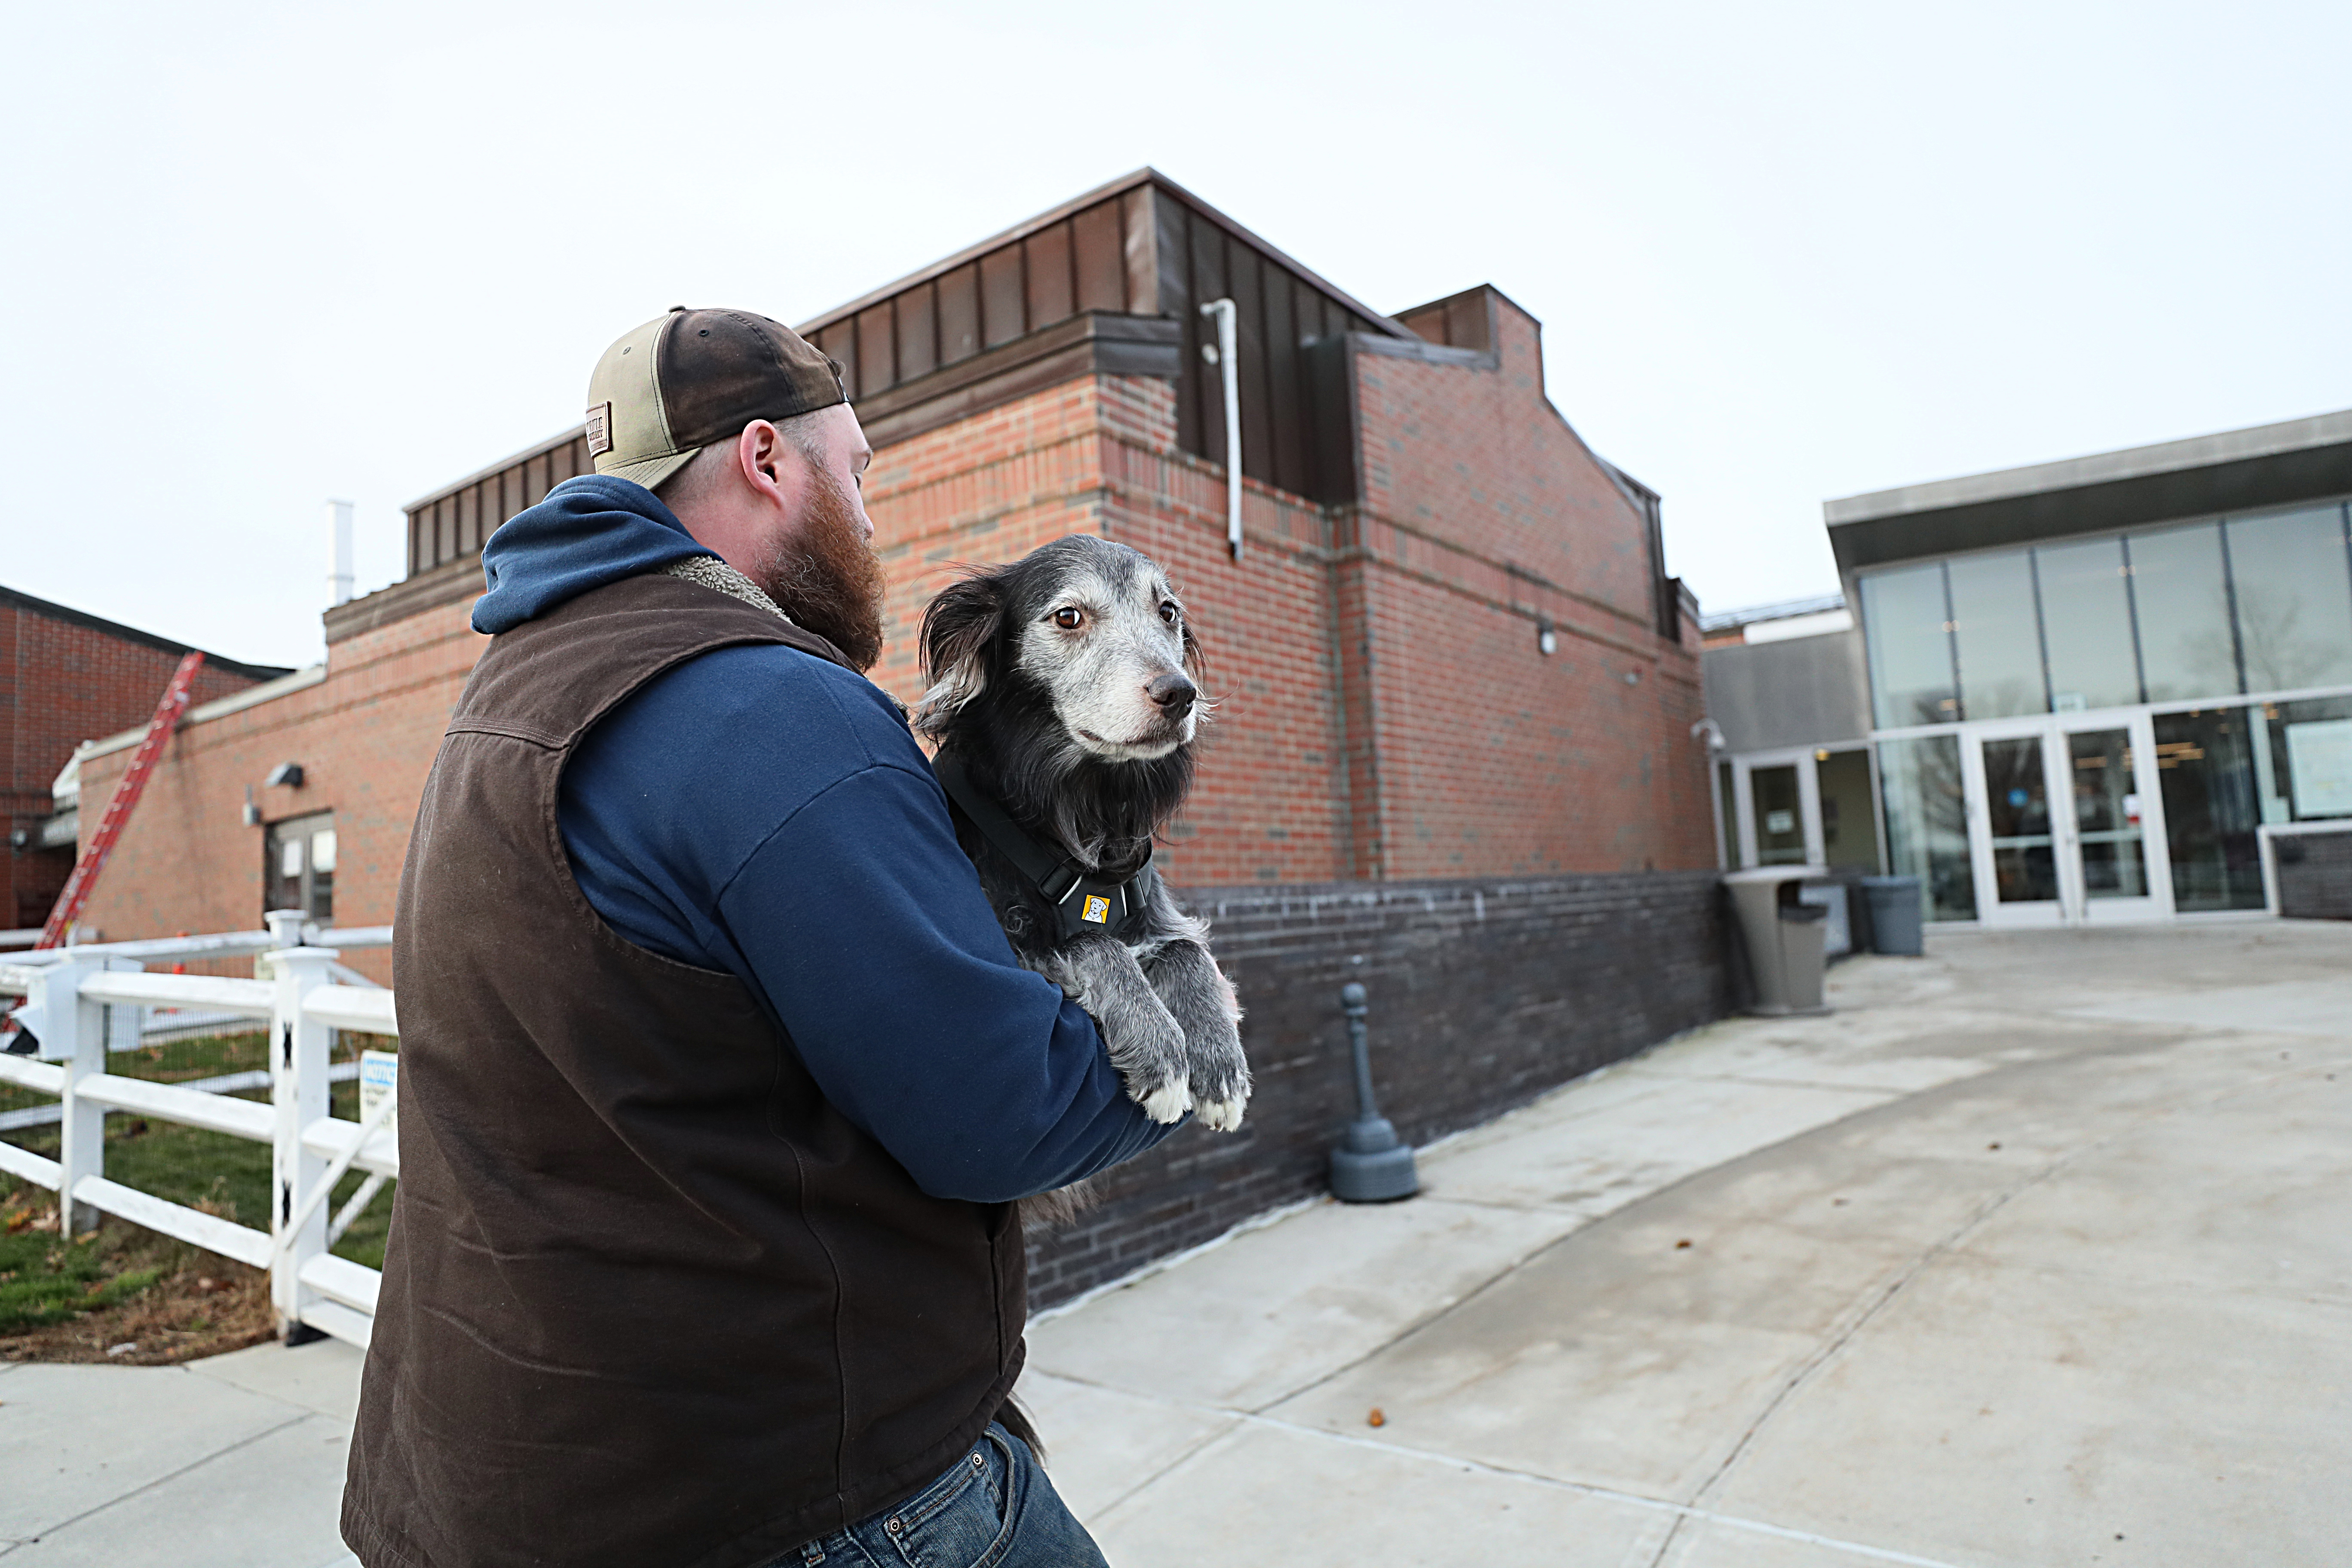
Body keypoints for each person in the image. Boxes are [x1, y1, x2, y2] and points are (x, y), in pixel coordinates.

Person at [342, 307, 1173, 1568]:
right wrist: (1186, 1030)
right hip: (798, 1494)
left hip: (512, 1485)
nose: (873, 515)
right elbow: (1001, 1114)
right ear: (769, 459)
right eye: (858, 473)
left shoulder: (506, 702)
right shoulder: (771, 705)